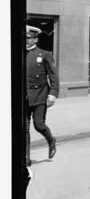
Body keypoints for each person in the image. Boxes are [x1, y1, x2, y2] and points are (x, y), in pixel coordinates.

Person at [25, 25, 59, 166]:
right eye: (25, 38)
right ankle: (25, 157)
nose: (26, 41)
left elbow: (53, 76)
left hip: (40, 96)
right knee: (24, 128)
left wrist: (52, 95)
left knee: (39, 125)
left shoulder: (44, 54)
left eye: (28, 38)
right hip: (24, 97)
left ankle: (51, 140)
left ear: (35, 39)